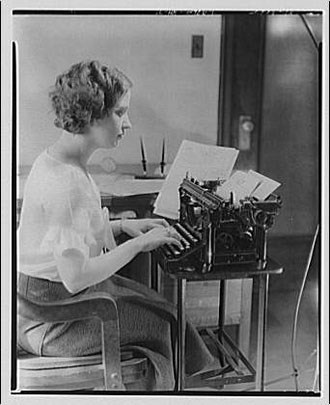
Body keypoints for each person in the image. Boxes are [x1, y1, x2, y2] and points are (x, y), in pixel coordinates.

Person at [17, 60, 214, 390]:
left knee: (163, 307)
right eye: (120, 113)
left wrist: (122, 229)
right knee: (164, 322)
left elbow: (65, 242)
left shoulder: (55, 160)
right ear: (92, 114)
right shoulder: (67, 183)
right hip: (54, 320)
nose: (128, 123)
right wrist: (136, 245)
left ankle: (181, 382)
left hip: (42, 304)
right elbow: (76, 276)